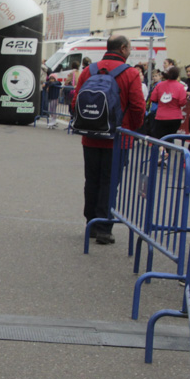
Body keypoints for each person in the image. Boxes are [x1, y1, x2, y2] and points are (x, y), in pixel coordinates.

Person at [73, 35, 145, 245]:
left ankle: (91, 224)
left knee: (92, 180)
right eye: (129, 47)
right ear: (123, 48)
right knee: (110, 182)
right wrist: (134, 127)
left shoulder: (89, 70)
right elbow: (138, 106)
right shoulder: (130, 73)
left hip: (91, 136)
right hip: (118, 137)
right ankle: (105, 227)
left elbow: (76, 99)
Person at [148, 66, 187, 139]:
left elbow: (153, 98)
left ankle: (160, 150)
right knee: (170, 139)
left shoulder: (159, 85)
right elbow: (182, 102)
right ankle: (168, 150)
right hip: (175, 117)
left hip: (161, 116)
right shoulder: (180, 86)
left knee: (160, 139)